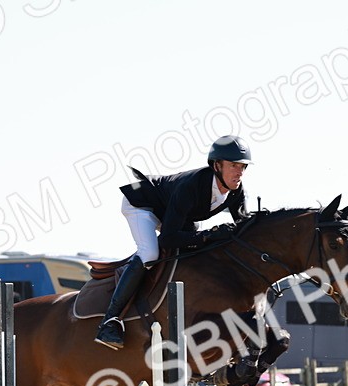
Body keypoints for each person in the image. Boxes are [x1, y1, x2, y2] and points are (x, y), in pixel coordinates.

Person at [94, 135, 253, 349]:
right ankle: (110, 321)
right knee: (150, 252)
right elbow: (168, 237)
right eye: (234, 165)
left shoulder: (236, 192)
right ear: (217, 165)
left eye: (243, 166)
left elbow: (244, 230)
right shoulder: (192, 185)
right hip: (143, 204)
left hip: (172, 212)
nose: (239, 172)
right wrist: (207, 236)